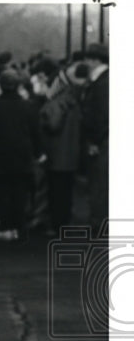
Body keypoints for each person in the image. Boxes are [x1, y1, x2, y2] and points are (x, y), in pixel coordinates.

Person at [0, 69, 45, 242]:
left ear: (1, 86)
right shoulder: (29, 106)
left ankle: (5, 226)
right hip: (22, 155)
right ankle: (20, 226)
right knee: (20, 192)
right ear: (18, 86)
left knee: (2, 192)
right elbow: (36, 132)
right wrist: (39, 152)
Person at [40, 58, 88, 230]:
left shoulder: (59, 102)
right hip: (71, 153)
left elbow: (52, 125)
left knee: (56, 191)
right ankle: (64, 222)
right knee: (67, 191)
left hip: (57, 153)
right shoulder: (76, 101)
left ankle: (56, 224)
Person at [81, 42, 109, 234]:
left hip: (101, 141)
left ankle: (99, 223)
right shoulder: (105, 80)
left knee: (99, 183)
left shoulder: (102, 83)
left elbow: (100, 115)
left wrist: (94, 141)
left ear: (94, 60)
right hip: (104, 139)